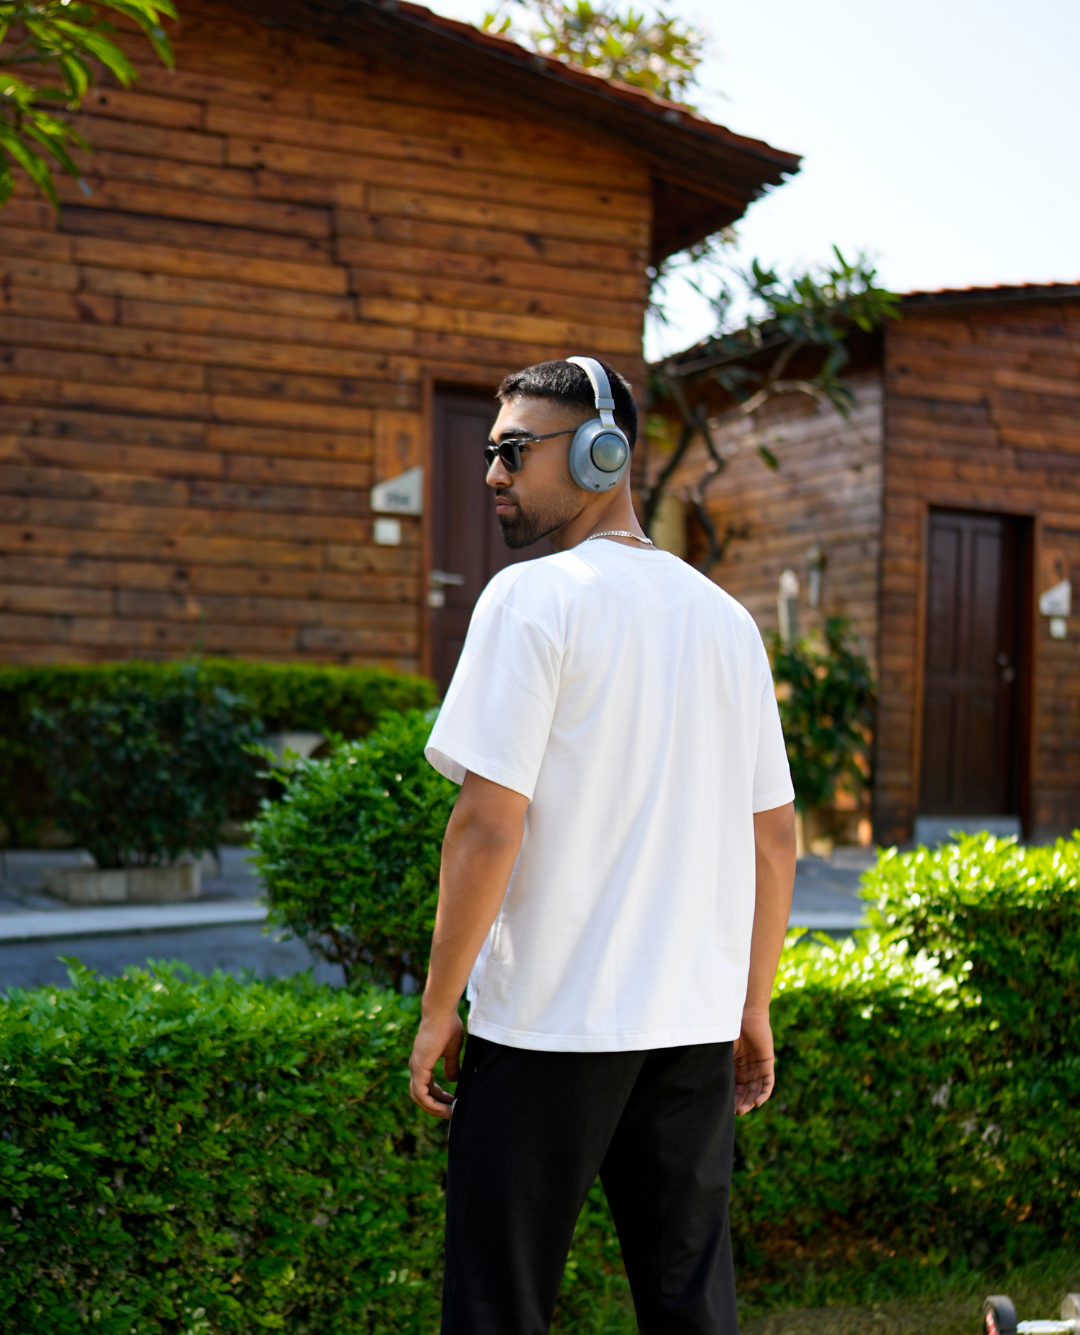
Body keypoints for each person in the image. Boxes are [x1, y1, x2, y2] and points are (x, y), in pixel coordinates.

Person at [409, 357, 797, 1335]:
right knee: (690, 1309)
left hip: (547, 1030)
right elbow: (775, 837)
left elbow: (487, 825)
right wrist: (751, 1003)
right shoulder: (727, 622)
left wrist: (439, 1006)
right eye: (490, 451)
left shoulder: (531, 599)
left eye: (512, 450)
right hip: (690, 1031)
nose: (492, 473)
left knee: (498, 1309)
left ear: (601, 451)